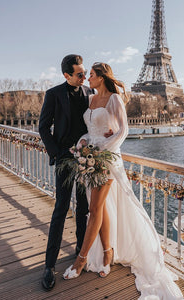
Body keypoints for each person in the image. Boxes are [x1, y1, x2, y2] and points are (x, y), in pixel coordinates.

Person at [63, 62, 184, 299]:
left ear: (101, 77)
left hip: (106, 160)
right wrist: (83, 143)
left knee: (95, 209)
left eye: (91, 75)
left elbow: (123, 131)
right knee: (101, 209)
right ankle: (107, 253)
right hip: (91, 158)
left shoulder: (115, 99)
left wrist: (99, 150)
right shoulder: (90, 100)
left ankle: (81, 260)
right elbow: (92, 130)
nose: (88, 78)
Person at [39, 54, 112, 291]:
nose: (83, 77)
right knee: (60, 209)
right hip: (64, 161)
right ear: (66, 75)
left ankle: (81, 254)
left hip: (86, 160)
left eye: (84, 73)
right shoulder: (53, 94)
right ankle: (49, 266)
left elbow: (102, 119)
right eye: (79, 74)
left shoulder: (89, 94)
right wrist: (57, 154)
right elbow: (43, 127)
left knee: (83, 210)